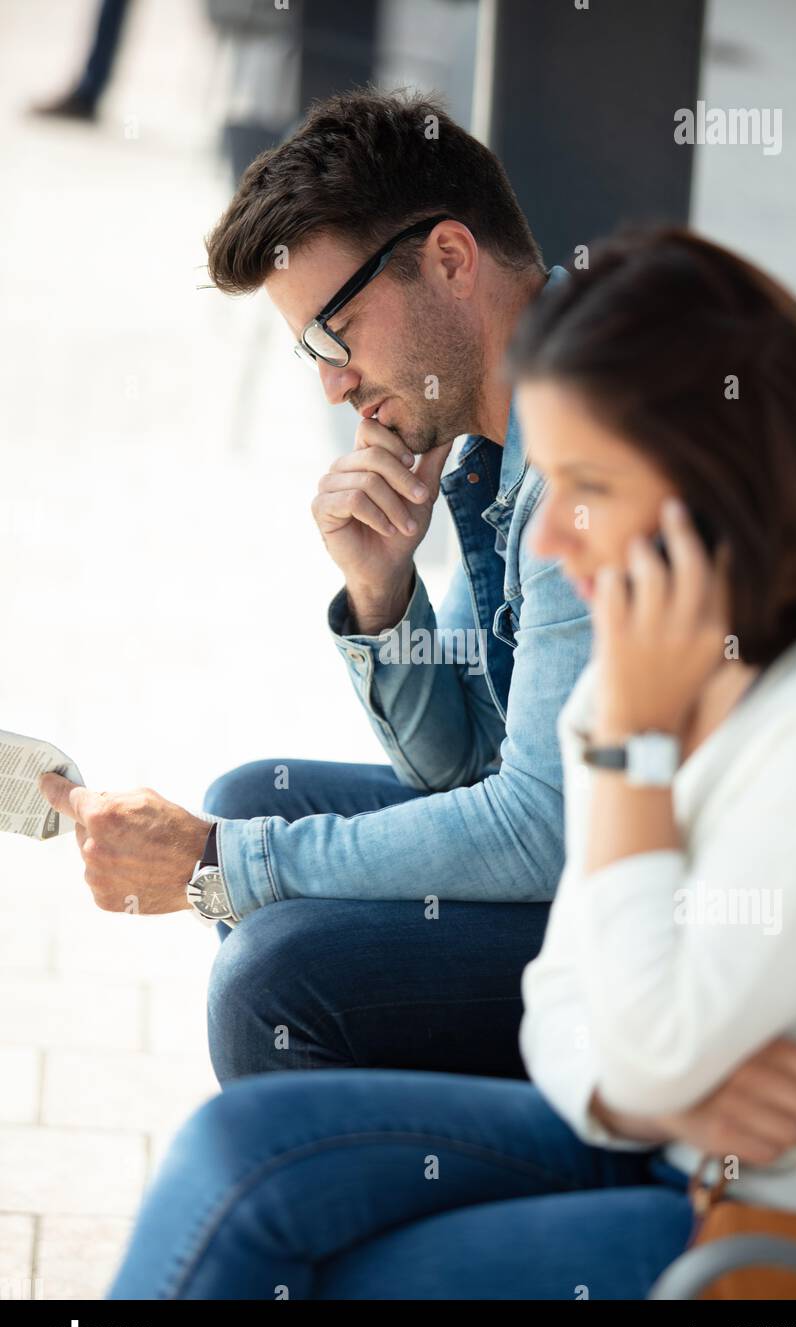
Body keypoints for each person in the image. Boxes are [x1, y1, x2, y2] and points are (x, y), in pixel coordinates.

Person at [106, 227, 796, 1299]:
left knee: (296, 1223)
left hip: (770, 1230)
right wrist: (383, 596)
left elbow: (587, 937)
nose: (548, 538)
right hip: (655, 1134)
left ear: (713, 480)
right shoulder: (640, 668)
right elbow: (557, 980)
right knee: (240, 1156)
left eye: (585, 483)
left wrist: (631, 764)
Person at [39, 89, 591, 1088]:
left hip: (664, 925)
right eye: (312, 354)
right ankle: (373, 1159)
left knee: (272, 975)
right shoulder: (490, 451)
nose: (332, 387)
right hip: (584, 856)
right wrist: (380, 593)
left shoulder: (581, 451)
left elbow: (536, 828)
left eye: (336, 336)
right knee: (254, 798)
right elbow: (465, 765)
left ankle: (400, 1198)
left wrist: (225, 859)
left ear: (451, 260)